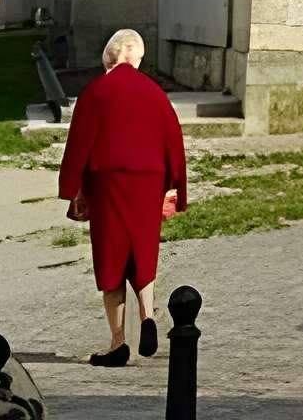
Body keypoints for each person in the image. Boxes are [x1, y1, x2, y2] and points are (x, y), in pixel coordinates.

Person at [57, 28, 188, 369]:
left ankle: (117, 342)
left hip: (107, 180)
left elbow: (80, 142)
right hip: (149, 180)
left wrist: (75, 188)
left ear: (108, 58)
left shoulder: (96, 91)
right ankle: (147, 316)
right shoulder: (155, 92)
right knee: (143, 250)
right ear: (138, 58)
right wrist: (173, 187)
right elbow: (172, 139)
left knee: (110, 256)